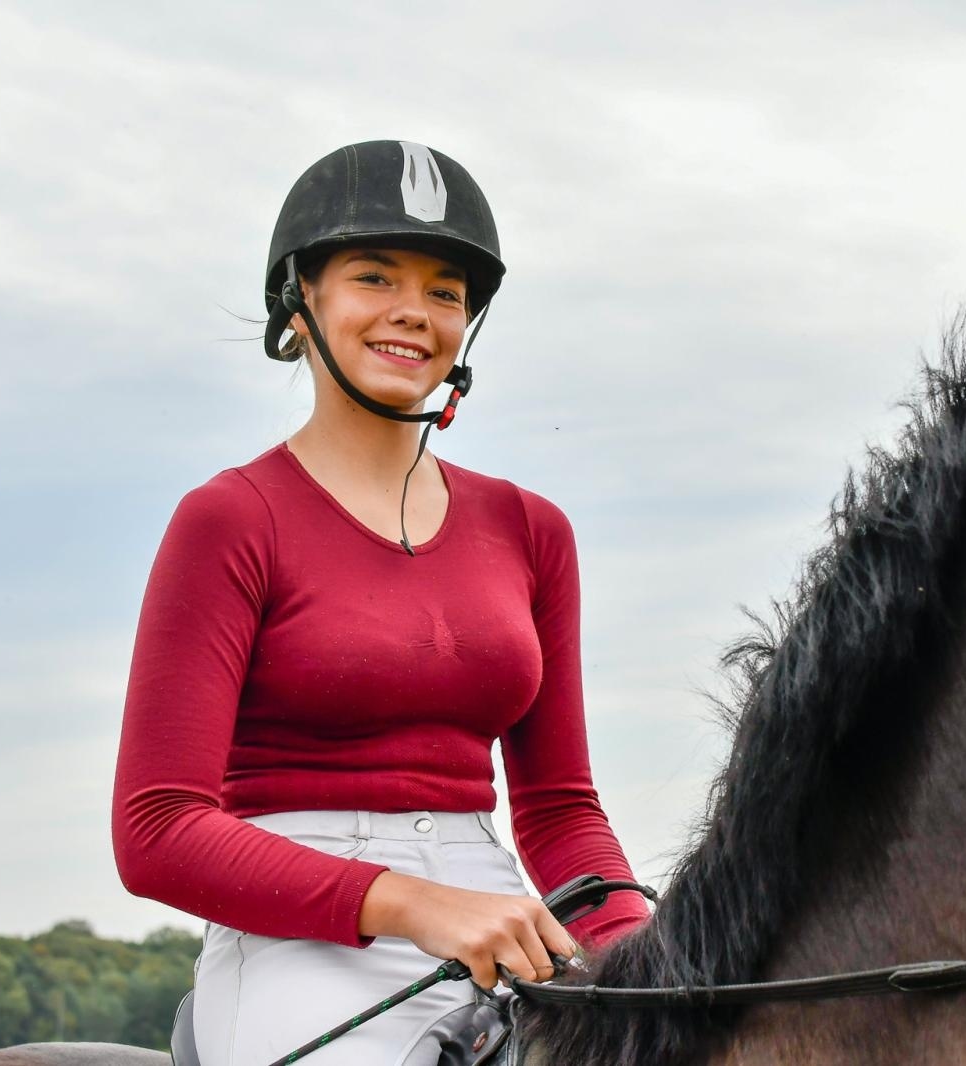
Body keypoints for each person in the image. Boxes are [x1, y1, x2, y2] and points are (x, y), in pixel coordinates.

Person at [110, 140, 649, 1066]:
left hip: (503, 916)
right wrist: (416, 903)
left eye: (446, 291)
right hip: (296, 939)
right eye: (374, 276)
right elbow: (157, 828)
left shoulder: (534, 530)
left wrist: (646, 945)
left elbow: (559, 811)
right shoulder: (229, 520)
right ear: (302, 297)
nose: (415, 312)